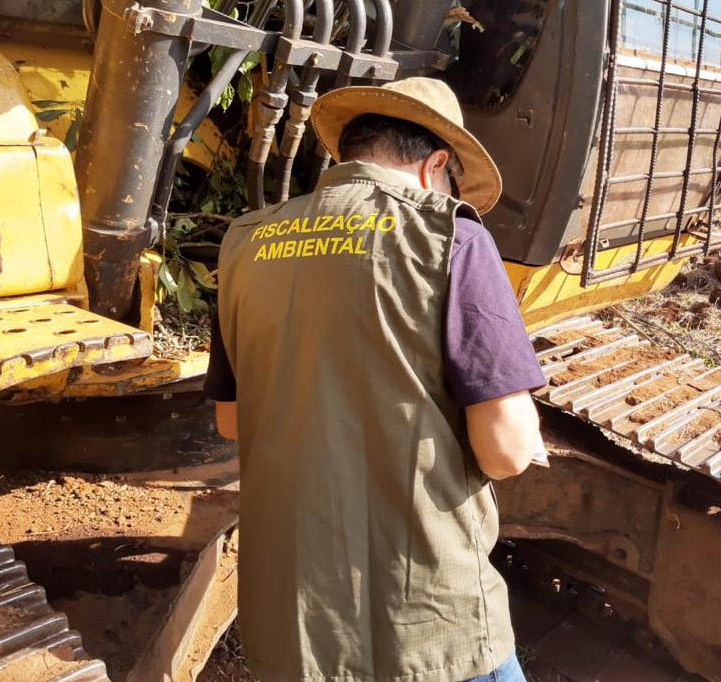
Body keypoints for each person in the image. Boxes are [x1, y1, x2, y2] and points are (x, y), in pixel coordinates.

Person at [205, 76, 547, 682]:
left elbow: (232, 420)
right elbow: (508, 451)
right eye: (450, 182)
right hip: (430, 626)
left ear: (351, 153)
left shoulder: (244, 242)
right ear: (435, 165)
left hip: (296, 629)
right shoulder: (453, 238)